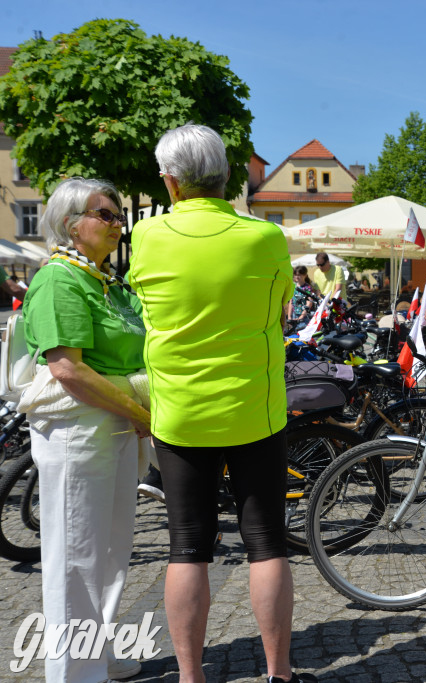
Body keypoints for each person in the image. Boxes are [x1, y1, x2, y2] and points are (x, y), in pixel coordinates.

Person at [128, 124, 316, 683]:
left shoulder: (148, 236)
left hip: (180, 413)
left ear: (171, 181)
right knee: (266, 544)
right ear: (227, 175)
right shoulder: (263, 238)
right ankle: (278, 674)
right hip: (254, 408)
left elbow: (146, 305)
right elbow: (282, 308)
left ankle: (191, 677)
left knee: (187, 546)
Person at [20, 177, 150, 682]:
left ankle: (100, 654)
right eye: (107, 215)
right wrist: (140, 413)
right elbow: (67, 370)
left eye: (120, 215)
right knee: (75, 556)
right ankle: (74, 673)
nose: (119, 223)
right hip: (79, 428)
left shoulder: (104, 280)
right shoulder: (60, 280)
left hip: (111, 423)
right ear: (71, 224)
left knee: (113, 549)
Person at [287, 265, 320, 330]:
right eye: (295, 275)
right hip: (294, 314)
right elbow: (291, 302)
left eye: (299, 275)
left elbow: (309, 303)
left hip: (304, 316)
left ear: (305, 275)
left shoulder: (307, 288)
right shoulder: (293, 286)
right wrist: (289, 316)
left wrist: (301, 316)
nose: (297, 277)